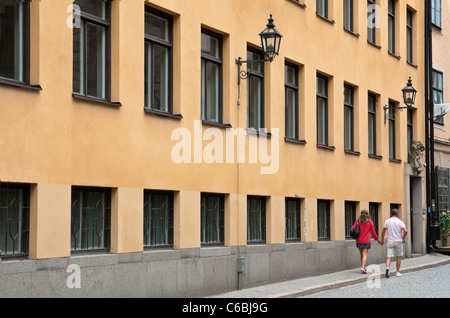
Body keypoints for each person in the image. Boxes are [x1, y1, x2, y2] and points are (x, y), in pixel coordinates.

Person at [351, 209, 383, 274]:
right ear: (367, 214)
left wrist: (356, 224)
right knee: (365, 254)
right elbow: (373, 232)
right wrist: (377, 240)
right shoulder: (370, 222)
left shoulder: (357, 221)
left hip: (359, 240)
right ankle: (363, 268)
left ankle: (364, 267)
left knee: (361, 255)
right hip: (366, 240)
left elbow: (352, 228)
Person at [380, 208, 408, 278]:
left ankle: (387, 269)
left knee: (388, 257)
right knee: (398, 257)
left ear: (391, 214)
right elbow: (405, 231)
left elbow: (383, 232)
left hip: (390, 241)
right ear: (397, 214)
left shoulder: (387, 221)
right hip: (398, 241)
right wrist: (403, 237)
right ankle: (397, 272)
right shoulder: (400, 222)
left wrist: (382, 239)